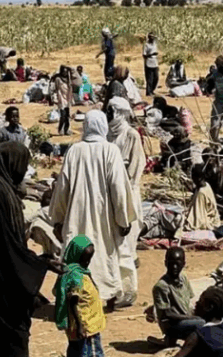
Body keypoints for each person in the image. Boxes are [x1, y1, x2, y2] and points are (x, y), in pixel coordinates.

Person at [0, 142, 63, 357]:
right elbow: (5, 245)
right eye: (23, 164)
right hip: (1, 280)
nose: (24, 170)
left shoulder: (5, 189)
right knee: (8, 341)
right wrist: (41, 263)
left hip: (4, 274)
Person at [50, 110, 137, 310]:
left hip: (77, 216)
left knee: (76, 253)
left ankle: (74, 296)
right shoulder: (111, 151)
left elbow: (62, 188)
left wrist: (59, 218)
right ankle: (110, 297)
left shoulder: (74, 151)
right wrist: (123, 219)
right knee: (106, 255)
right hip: (105, 217)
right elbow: (118, 188)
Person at [107, 97, 145, 279]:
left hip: (128, 189)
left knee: (129, 226)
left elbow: (137, 164)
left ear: (120, 113)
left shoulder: (131, 135)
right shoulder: (107, 134)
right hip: (110, 189)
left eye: (111, 111)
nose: (108, 115)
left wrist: (125, 187)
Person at [55, 235, 106, 357]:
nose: (87, 263)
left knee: (76, 352)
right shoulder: (76, 277)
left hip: (80, 326)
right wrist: (80, 327)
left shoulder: (73, 272)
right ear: (76, 256)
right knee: (91, 353)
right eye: (85, 260)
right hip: (86, 328)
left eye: (89, 259)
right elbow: (73, 301)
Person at [151, 247, 205, 347]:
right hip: (171, 325)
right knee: (201, 324)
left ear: (183, 264)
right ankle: (173, 337)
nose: (174, 267)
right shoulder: (162, 286)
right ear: (165, 263)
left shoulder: (183, 278)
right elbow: (167, 314)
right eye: (171, 263)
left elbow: (188, 301)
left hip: (185, 320)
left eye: (177, 263)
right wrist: (191, 317)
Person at [186, 164, 221, 231]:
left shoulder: (201, 192)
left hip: (209, 221)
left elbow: (199, 218)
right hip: (213, 218)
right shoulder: (206, 185)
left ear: (198, 178)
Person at [53, 66, 73, 136]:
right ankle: (60, 129)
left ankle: (66, 130)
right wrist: (55, 98)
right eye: (64, 71)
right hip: (61, 98)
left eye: (66, 72)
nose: (65, 73)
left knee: (67, 116)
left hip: (67, 98)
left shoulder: (69, 79)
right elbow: (55, 89)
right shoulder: (58, 79)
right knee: (63, 115)